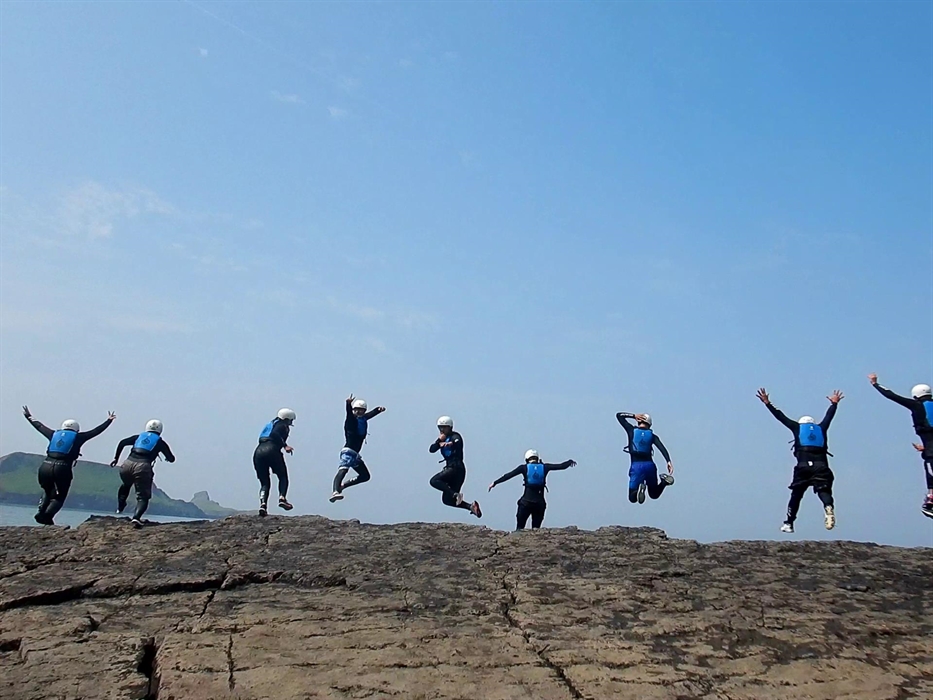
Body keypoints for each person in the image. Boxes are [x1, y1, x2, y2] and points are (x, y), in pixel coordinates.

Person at [756, 387, 843, 533]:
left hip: (803, 467)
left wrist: (767, 403)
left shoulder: (797, 428)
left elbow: (781, 417)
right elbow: (829, 416)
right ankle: (828, 507)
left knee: (796, 495)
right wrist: (834, 404)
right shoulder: (821, 428)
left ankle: (789, 523)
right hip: (821, 466)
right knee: (824, 491)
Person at [22, 405, 116, 524]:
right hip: (62, 468)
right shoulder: (79, 437)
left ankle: (41, 512)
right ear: (77, 429)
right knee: (59, 496)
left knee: (48, 491)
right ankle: (47, 516)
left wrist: (28, 416)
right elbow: (96, 431)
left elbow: (39, 426)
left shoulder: (53, 434)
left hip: (45, 466)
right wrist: (109, 420)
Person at [868, 374, 933, 519]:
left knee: (931, 475)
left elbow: (891, 395)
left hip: (931, 452)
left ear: (916, 396)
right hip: (929, 448)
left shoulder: (916, 405)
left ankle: (931, 500)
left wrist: (875, 384)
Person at [110, 419, 175, 528]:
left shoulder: (138, 437)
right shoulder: (160, 442)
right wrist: (167, 458)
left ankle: (120, 507)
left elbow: (122, 442)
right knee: (143, 497)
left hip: (127, 464)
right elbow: (171, 458)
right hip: (143, 466)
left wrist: (116, 458)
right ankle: (136, 517)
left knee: (126, 485)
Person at [488, 449, 576, 530]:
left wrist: (495, 483)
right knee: (536, 530)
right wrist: (570, 462)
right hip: (540, 504)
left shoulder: (524, 468)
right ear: (537, 458)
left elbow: (508, 475)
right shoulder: (545, 467)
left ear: (527, 459)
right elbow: (561, 466)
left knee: (520, 528)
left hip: (525, 504)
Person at [330, 394, 386, 502]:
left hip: (355, 455)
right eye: (356, 410)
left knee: (365, 476)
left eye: (361, 410)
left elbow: (370, 414)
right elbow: (349, 414)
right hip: (348, 451)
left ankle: (343, 486)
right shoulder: (351, 420)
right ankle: (335, 491)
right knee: (343, 470)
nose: (358, 412)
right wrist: (348, 404)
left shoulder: (363, 419)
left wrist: (378, 409)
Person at [615, 412, 674, 505]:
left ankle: (638, 490)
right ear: (650, 424)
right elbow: (662, 448)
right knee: (654, 494)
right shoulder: (652, 436)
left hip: (637, 466)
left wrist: (633, 416)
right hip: (650, 466)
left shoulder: (631, 430)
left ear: (639, 421)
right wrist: (668, 461)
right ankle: (664, 482)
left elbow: (619, 416)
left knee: (632, 498)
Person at [429, 416, 481, 518]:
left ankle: (455, 494)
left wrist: (450, 443)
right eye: (440, 427)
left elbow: (458, 442)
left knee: (434, 481)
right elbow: (431, 449)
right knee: (447, 500)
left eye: (444, 427)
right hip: (451, 469)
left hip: (456, 469)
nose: (442, 430)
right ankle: (471, 507)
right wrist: (438, 442)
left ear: (450, 427)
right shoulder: (441, 439)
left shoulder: (455, 436)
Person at [254, 408, 296, 516]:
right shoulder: (282, 425)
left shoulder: (270, 423)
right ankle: (282, 498)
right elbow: (274, 434)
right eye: (291, 420)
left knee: (264, 482)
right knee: (283, 476)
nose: (291, 423)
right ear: (287, 419)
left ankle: (263, 505)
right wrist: (285, 446)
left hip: (258, 452)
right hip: (271, 449)